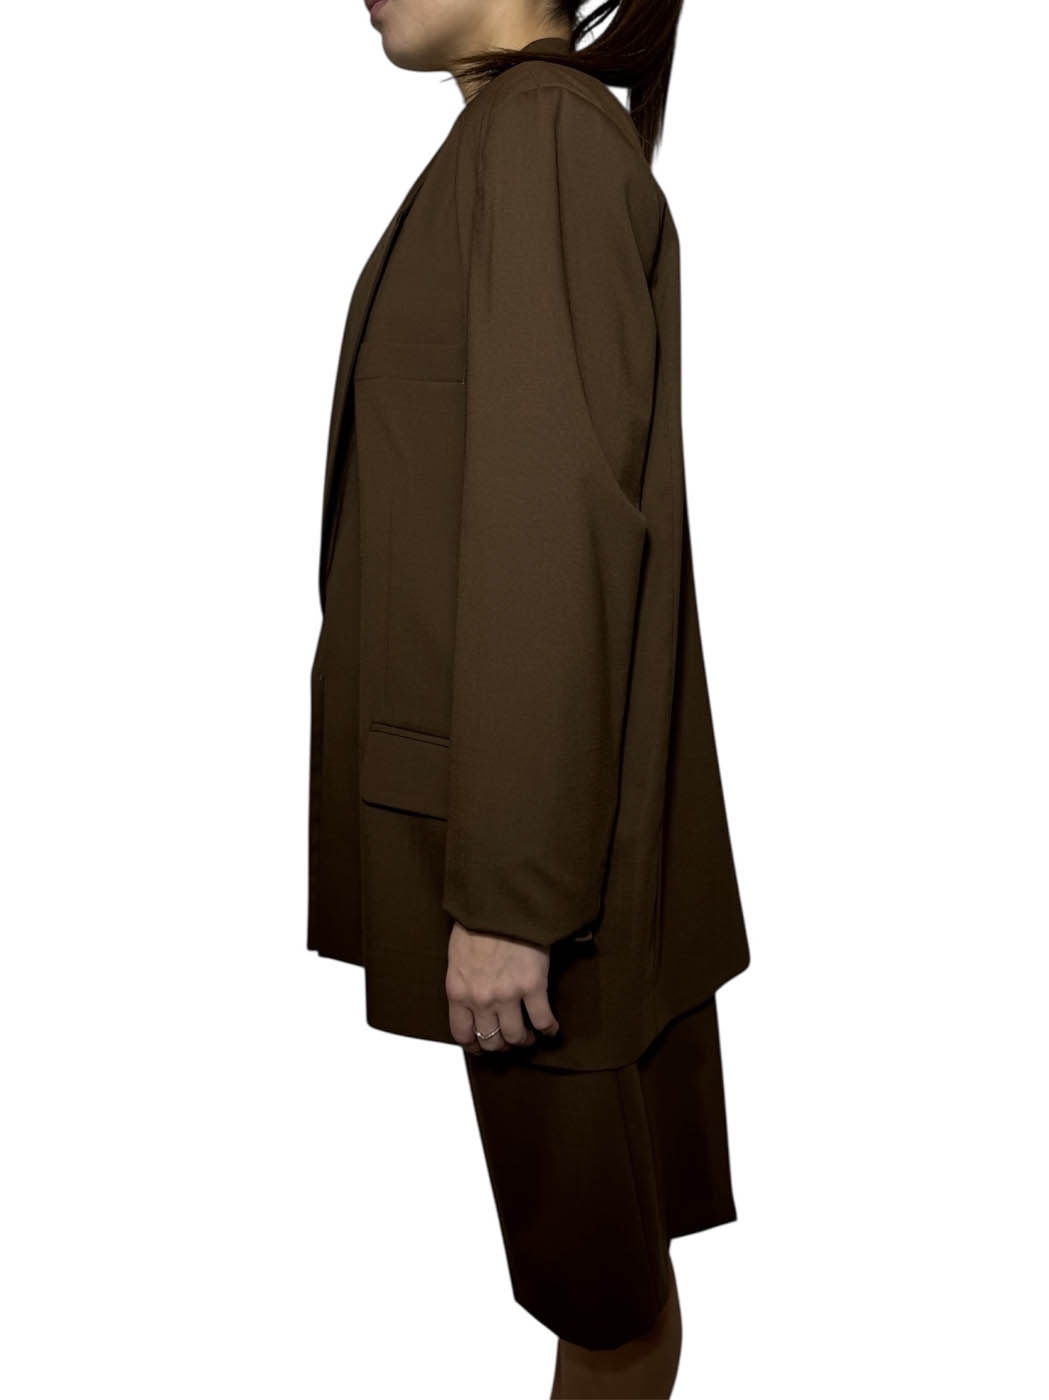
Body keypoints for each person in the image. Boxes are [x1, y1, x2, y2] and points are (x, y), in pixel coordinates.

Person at [307, 2, 752, 1395]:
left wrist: (512, 899)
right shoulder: (526, 136)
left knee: (600, 1293)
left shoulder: (541, 142)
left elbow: (552, 531)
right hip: (559, 848)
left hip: (542, 880)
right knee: (607, 1276)